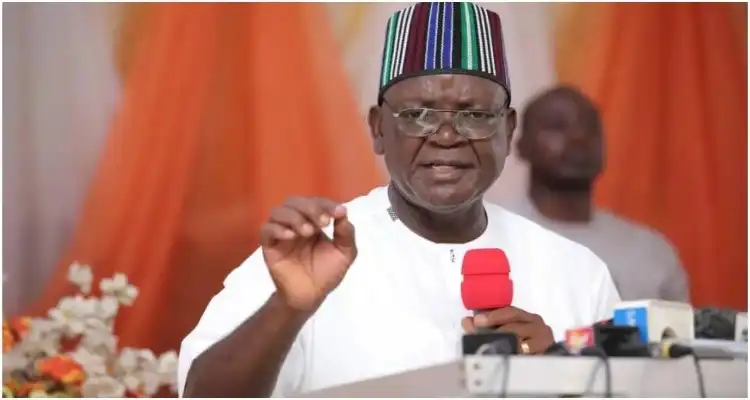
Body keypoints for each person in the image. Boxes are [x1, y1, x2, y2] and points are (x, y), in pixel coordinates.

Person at [178, 3, 621, 397]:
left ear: (507, 130)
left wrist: (561, 377)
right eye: (418, 114)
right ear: (378, 129)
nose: (446, 136)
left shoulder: (578, 273)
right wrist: (288, 308)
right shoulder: (309, 257)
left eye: (474, 115)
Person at [507, 85, 690, 302]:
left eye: (590, 127)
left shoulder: (650, 251)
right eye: (556, 126)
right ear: (521, 147)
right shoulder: (489, 240)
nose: (578, 137)